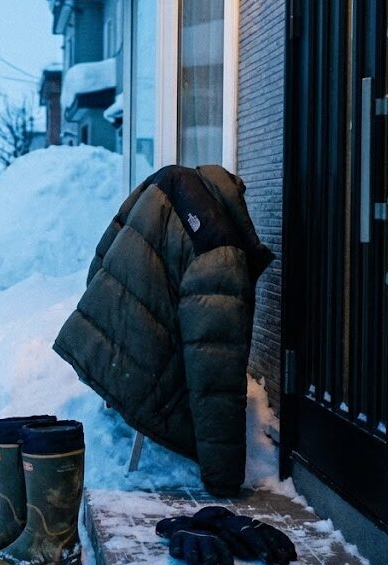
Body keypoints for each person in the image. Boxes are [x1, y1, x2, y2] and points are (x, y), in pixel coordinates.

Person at [53, 164, 274, 497]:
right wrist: (223, 476)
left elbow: (104, 256)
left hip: (117, 339)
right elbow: (216, 368)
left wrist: (108, 329)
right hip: (142, 362)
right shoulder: (219, 249)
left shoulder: (166, 181)